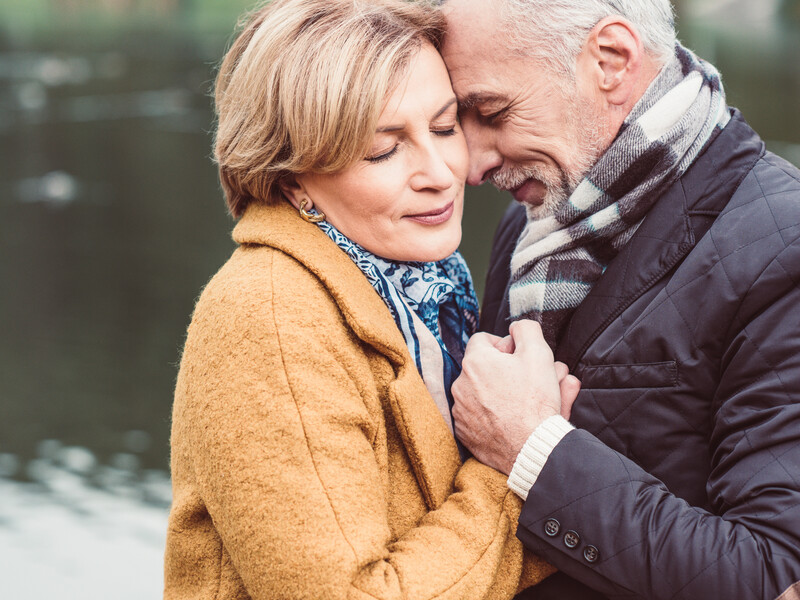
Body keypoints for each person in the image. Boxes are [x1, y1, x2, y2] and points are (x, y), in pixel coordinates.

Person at [163, 1, 564, 598]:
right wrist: (519, 462)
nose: (440, 173)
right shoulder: (269, 320)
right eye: (383, 150)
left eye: (445, 127)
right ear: (292, 179)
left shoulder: (428, 287)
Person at [439, 0, 800, 598]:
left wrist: (535, 450)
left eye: (493, 113)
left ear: (610, 60)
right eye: (458, 120)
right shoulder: (533, 223)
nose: (472, 166)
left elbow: (771, 573)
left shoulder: (785, 247)